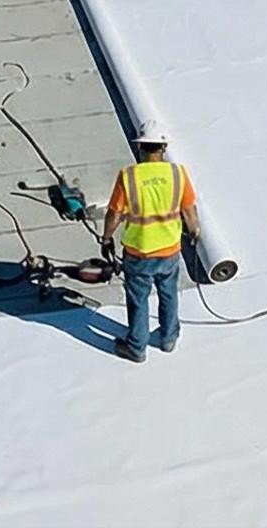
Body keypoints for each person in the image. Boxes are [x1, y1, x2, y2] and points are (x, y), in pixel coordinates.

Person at [104, 128, 200, 363]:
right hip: (169, 249)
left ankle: (136, 347)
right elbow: (189, 209)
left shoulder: (129, 176)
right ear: (163, 148)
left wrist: (106, 238)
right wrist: (195, 231)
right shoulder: (177, 173)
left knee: (138, 298)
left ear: (140, 147)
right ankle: (168, 339)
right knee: (169, 293)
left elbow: (115, 214)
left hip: (140, 251)